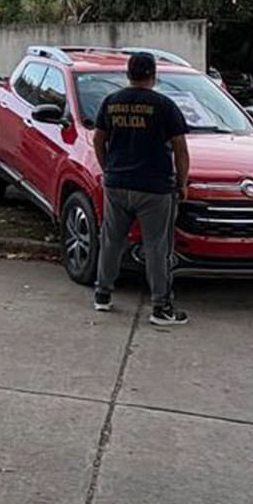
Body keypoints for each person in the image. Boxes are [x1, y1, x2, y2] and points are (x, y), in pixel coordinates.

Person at [91, 51, 192, 325]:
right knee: (157, 247)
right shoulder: (164, 105)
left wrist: (107, 169)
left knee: (111, 240)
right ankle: (161, 307)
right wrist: (182, 183)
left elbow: (98, 140)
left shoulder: (111, 102)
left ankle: (103, 294)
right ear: (153, 75)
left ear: (128, 74)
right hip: (154, 188)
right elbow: (181, 149)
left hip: (117, 184)